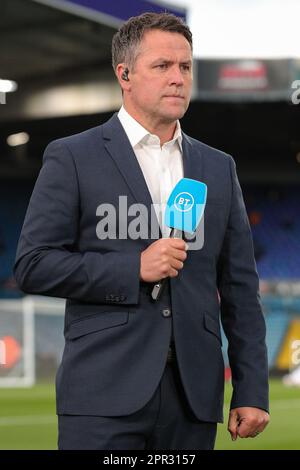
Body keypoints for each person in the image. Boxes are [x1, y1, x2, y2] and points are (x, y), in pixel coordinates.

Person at [14, 12, 269, 450]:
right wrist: (133, 268)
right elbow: (33, 265)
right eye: (162, 66)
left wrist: (251, 389)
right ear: (125, 74)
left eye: (185, 67)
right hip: (101, 394)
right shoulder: (73, 157)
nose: (178, 78)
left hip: (193, 400)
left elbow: (241, 288)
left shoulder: (218, 167)